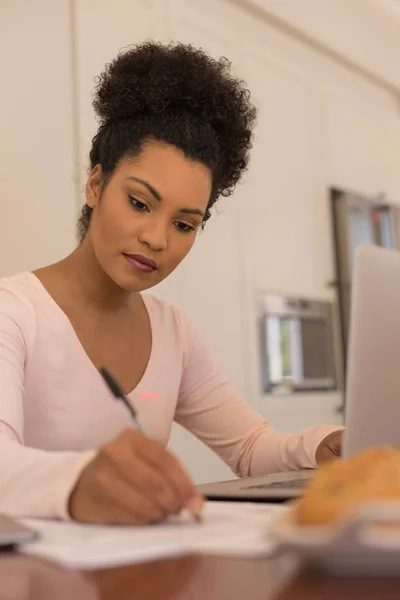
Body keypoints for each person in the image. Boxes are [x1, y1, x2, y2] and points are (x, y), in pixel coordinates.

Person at [0, 41, 342, 525]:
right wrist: (80, 482)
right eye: (140, 203)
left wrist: (323, 447)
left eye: (185, 224)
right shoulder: (14, 314)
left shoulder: (173, 333)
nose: (157, 239)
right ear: (96, 184)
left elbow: (249, 448)